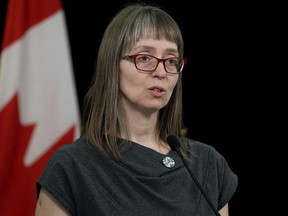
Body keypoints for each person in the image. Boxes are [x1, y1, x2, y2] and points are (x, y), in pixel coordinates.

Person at [35, 3, 238, 216]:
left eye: (171, 60)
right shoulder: (72, 167)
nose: (161, 71)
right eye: (144, 58)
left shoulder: (207, 165)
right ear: (113, 66)